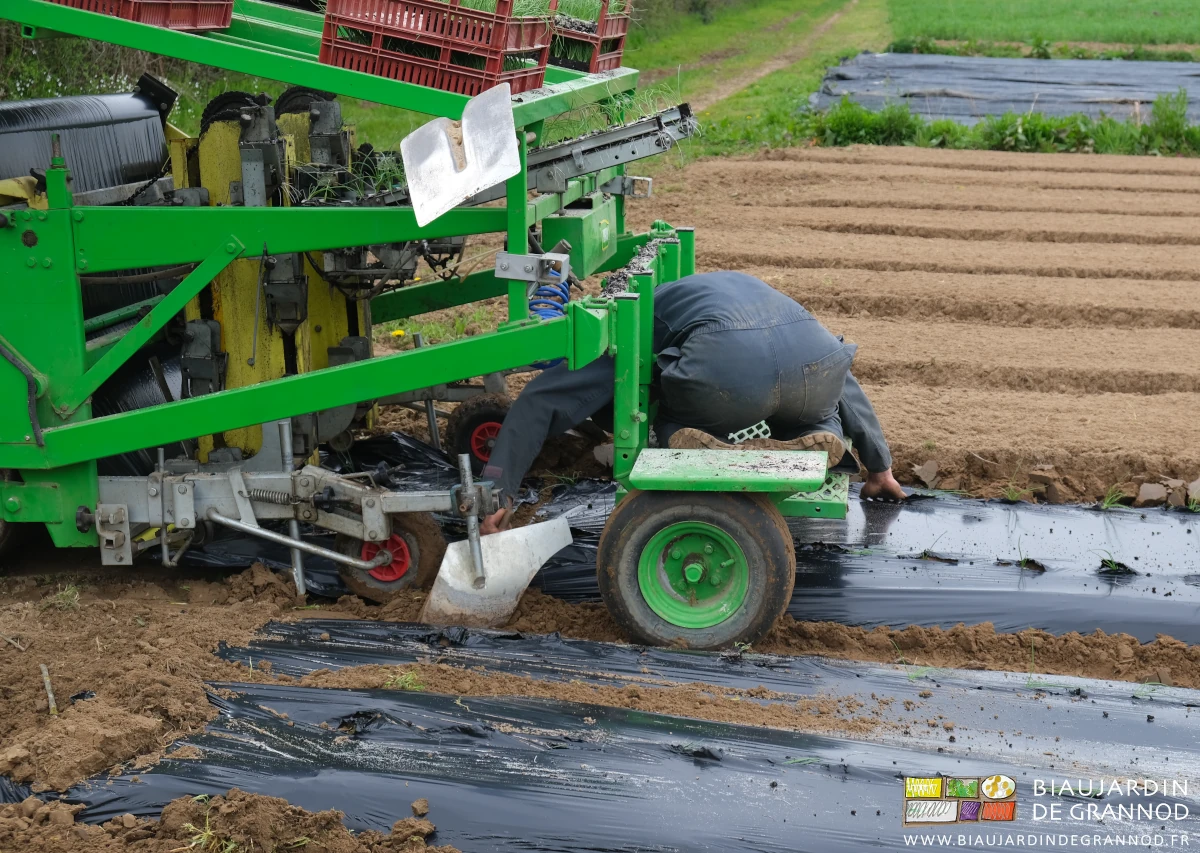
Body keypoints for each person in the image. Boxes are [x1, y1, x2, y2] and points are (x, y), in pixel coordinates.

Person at [480, 271, 906, 533]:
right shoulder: (741, 289)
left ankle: (693, 439)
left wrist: (497, 492)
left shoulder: (640, 312)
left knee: (671, 407)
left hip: (726, 373)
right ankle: (821, 435)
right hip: (815, 359)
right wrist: (880, 466)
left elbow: (542, 398)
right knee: (817, 409)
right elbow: (845, 382)